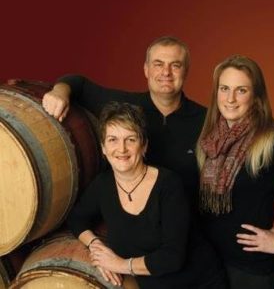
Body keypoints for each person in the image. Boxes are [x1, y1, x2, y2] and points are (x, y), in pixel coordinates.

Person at [43, 36, 227, 287]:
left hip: (190, 257)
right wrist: (58, 92)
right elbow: (79, 84)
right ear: (146, 69)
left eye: (175, 65)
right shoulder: (124, 111)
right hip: (148, 263)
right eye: (158, 63)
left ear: (143, 144)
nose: (166, 72)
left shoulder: (207, 121)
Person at [67, 101, 226, 289]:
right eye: (113, 140)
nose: (122, 148)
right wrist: (97, 248)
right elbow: (77, 219)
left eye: (131, 139)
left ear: (144, 146)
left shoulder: (168, 185)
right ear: (103, 148)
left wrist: (119, 265)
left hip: (198, 283)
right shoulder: (103, 185)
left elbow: (172, 257)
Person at [196, 54, 274, 289]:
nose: (230, 99)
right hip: (207, 264)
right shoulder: (208, 140)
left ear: (256, 97)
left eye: (241, 90)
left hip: (251, 272)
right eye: (224, 88)